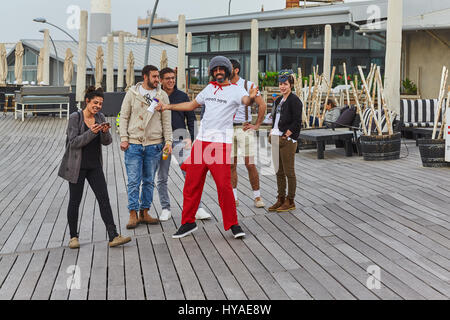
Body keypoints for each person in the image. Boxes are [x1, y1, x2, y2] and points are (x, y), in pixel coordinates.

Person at [156, 56, 258, 239]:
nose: (218, 71)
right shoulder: (209, 88)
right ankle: (188, 223)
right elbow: (191, 105)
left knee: (224, 186)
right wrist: (167, 107)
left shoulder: (236, 91)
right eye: (215, 69)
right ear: (212, 72)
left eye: (221, 68)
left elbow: (246, 101)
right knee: (191, 185)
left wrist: (251, 98)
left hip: (220, 144)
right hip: (201, 143)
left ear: (227, 71)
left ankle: (233, 224)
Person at [58, 87, 131, 249]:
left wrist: (104, 132)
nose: (98, 106)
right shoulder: (75, 117)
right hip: (76, 167)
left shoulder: (100, 117)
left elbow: (107, 142)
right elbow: (73, 143)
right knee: (75, 201)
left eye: (100, 103)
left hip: (94, 166)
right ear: (87, 102)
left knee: (104, 199)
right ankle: (73, 237)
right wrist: (91, 132)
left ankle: (113, 236)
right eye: (95, 103)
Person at [119, 65, 173, 229]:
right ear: (145, 76)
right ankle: (133, 213)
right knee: (134, 181)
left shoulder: (161, 95)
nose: (158, 80)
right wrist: (124, 138)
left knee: (149, 181)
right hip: (134, 144)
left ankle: (145, 211)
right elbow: (124, 116)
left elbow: (166, 121)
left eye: (158, 77)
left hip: (154, 144)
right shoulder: (132, 93)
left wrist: (168, 141)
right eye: (155, 76)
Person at [156, 67, 211, 222]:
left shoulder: (182, 95)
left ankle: (197, 208)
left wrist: (191, 138)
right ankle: (165, 208)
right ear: (161, 80)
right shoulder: (156, 96)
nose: (171, 81)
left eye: (173, 78)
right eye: (167, 78)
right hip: (162, 141)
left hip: (181, 139)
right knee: (162, 177)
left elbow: (191, 119)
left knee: (190, 176)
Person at [229, 59, 267, 209]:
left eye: (228, 68)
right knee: (231, 165)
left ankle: (257, 196)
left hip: (244, 128)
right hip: (227, 129)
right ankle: (234, 197)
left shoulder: (248, 85)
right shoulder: (224, 85)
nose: (224, 70)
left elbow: (262, 104)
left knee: (249, 164)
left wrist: (257, 124)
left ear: (236, 70)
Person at [268, 70, 302, 212]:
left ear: (291, 85)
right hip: (275, 138)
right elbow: (274, 118)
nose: (282, 87)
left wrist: (287, 134)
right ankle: (280, 198)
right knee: (279, 171)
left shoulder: (295, 101)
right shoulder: (278, 100)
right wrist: (271, 132)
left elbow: (297, 121)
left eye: (285, 84)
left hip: (286, 140)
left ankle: (290, 200)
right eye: (281, 84)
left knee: (289, 172)